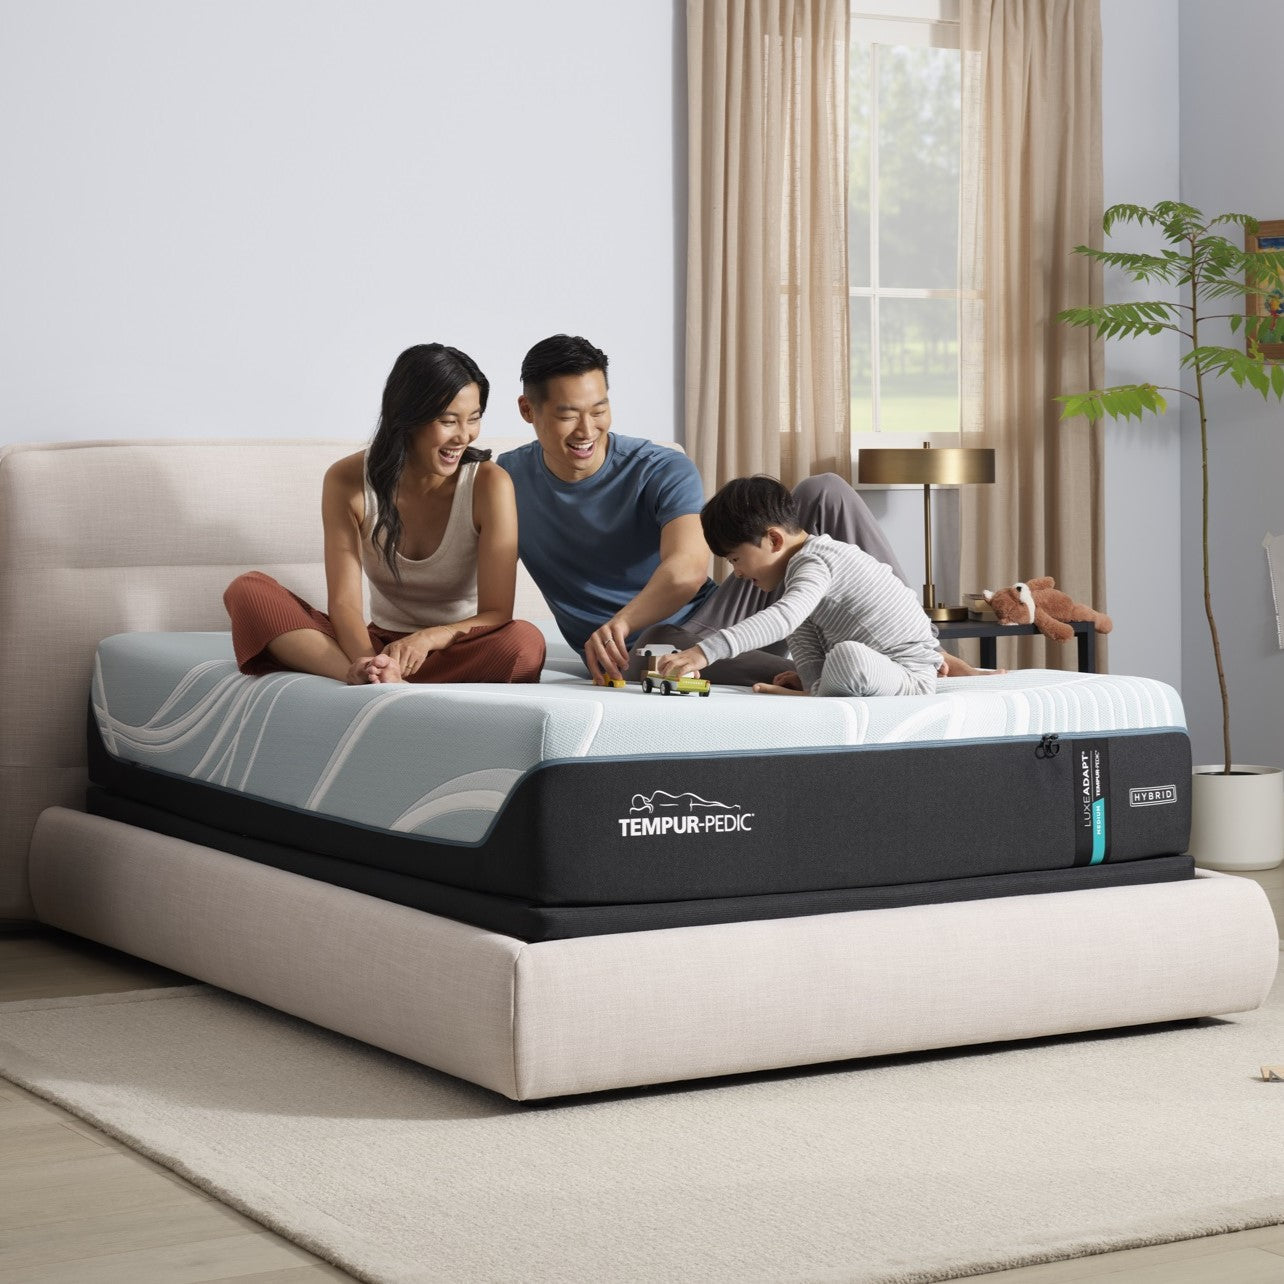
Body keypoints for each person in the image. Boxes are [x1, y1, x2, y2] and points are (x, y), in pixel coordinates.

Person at [498, 333, 977, 686]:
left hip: (720, 609)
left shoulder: (659, 466)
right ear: (527, 410)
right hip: (639, 649)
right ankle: (822, 675)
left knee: (825, 489)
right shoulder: (505, 481)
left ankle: (917, 647)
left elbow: (687, 570)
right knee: (657, 650)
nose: (587, 429)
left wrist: (620, 619)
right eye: (566, 414)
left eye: (599, 409)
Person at [224, 343, 545, 685]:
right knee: (248, 591)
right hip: (376, 645)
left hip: (457, 647)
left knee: (526, 643)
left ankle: (384, 682)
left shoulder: (490, 484)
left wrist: (427, 638)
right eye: (448, 421)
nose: (464, 435)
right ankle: (365, 677)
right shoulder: (346, 481)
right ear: (406, 418)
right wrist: (369, 661)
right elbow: (345, 604)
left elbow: (497, 613)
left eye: (474, 418)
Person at [655, 476, 939, 697]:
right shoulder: (799, 570)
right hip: (883, 668)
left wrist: (704, 652)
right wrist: (811, 678)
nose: (737, 573)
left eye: (736, 559)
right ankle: (815, 689)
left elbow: (783, 619)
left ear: (775, 540)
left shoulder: (817, 561)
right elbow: (801, 632)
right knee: (806, 628)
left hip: (908, 675)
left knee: (846, 655)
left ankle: (815, 696)